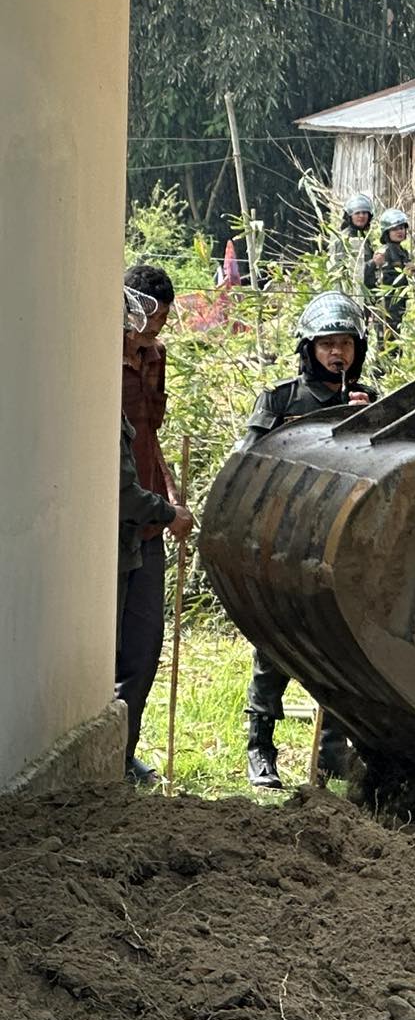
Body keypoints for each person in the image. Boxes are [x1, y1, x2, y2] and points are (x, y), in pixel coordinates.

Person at [235, 292, 379, 787]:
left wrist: (368, 421)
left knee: (339, 648)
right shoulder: (279, 400)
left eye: (345, 344)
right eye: (326, 345)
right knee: (273, 647)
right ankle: (260, 749)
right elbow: (245, 465)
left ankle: (332, 751)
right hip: (281, 538)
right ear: (309, 349)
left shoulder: (371, 400)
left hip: (338, 544)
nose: (337, 353)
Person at [117, 276, 194, 787]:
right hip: (116, 521)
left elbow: (149, 436)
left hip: (149, 516)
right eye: (153, 313)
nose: (157, 324)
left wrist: (166, 495)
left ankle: (125, 752)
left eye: (164, 315)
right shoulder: (102, 357)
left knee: (144, 648)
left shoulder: (155, 357)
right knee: (110, 647)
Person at [370, 207, 412, 338]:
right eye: (395, 229)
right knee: (387, 340)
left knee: (396, 338)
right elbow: (383, 280)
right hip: (387, 305)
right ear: (386, 232)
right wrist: (404, 273)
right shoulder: (384, 252)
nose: (400, 231)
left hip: (399, 303)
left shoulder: (403, 252)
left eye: (402, 227)